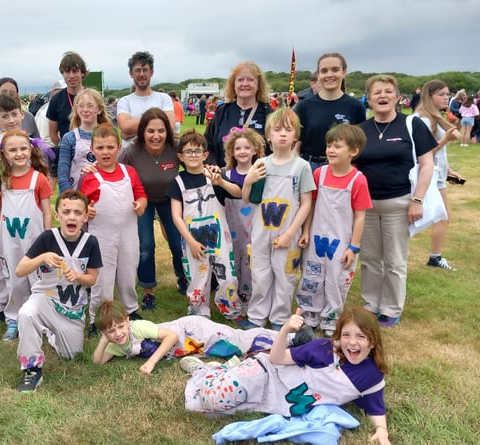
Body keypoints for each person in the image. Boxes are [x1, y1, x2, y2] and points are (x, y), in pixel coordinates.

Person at [184, 306, 392, 445]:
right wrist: (284, 330)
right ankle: (207, 371)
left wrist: (381, 430)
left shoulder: (371, 375)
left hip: (276, 401)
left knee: (203, 409)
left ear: (372, 342)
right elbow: (276, 358)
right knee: (214, 398)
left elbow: (376, 407)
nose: (352, 342)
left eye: (361, 337)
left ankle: (226, 370)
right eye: (346, 335)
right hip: (266, 373)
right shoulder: (325, 349)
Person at [354, 74, 436, 327]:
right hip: (366, 206)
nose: (382, 96)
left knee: (394, 259)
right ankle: (370, 305)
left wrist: (418, 199)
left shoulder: (412, 125)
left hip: (398, 203)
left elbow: (427, 165)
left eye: (388, 91)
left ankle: (390, 308)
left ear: (398, 97)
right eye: (377, 92)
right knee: (369, 258)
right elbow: (353, 165)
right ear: (368, 99)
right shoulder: (361, 129)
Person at [14, 190, 102, 392]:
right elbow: (20, 270)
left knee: (72, 355)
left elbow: (93, 279)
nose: (72, 216)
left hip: (72, 309)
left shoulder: (91, 242)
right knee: (26, 313)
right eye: (67, 211)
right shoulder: (47, 238)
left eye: (78, 213)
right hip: (45, 300)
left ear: (85, 217)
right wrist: (42, 257)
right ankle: (32, 370)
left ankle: (49, 333)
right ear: (58, 216)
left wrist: (78, 276)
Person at [92, 300, 314, 375]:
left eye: (120, 327)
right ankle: (292, 347)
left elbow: (170, 336)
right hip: (193, 347)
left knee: (238, 339)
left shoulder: (138, 328)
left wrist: (152, 361)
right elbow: (97, 362)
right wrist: (104, 340)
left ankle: (294, 335)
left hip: (191, 330)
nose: (118, 334)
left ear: (127, 322)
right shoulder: (116, 343)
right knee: (236, 351)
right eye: (110, 331)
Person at [241, 108, 315, 330]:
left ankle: (280, 319)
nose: (283, 134)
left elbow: (307, 203)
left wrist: (292, 232)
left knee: (285, 277)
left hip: (287, 232)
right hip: (261, 231)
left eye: (288, 129)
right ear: (268, 135)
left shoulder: (301, 166)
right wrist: (248, 180)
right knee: (260, 274)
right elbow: (247, 199)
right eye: (277, 129)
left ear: (295, 136)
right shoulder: (260, 164)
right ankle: (256, 317)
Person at [296, 124, 372, 337]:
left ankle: (331, 319)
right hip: (316, 239)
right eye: (329, 145)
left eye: (337, 146)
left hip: (341, 242)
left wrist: (353, 246)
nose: (330, 150)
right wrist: (306, 231)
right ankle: (310, 316)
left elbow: (360, 216)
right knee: (311, 277)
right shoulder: (319, 174)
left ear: (353, 151)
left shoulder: (358, 180)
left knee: (336, 280)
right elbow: (310, 205)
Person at [0, 130, 53, 341]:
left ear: (31, 150)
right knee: (13, 279)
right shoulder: (0, 180)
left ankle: (42, 318)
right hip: (9, 242)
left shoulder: (39, 179)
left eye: (23, 148)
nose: (19, 153)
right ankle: (13, 319)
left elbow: (47, 212)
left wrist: (48, 241)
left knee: (38, 279)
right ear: (4, 154)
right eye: (13, 150)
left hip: (35, 241)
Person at [79, 123, 147, 335]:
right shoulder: (89, 177)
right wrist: (86, 212)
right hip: (101, 236)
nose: (105, 152)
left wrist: (141, 204)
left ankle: (130, 308)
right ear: (93, 150)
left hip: (128, 232)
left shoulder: (129, 172)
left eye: (110, 147)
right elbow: (81, 206)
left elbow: (140, 193)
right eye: (100, 148)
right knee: (102, 278)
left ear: (119, 147)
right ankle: (98, 317)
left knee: (128, 271)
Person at [168, 129, 242, 320]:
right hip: (193, 239)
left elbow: (238, 192)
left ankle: (230, 308)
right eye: (188, 151)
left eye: (197, 151)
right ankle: (199, 312)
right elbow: (176, 216)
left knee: (228, 274)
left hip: (219, 237)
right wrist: (190, 242)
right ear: (180, 156)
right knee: (197, 277)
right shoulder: (177, 182)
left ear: (205, 155)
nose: (193, 155)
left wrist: (221, 183)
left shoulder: (213, 175)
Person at [117, 108, 186, 309]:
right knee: (146, 246)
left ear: (168, 132)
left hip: (169, 200)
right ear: (142, 132)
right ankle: (148, 291)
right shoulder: (131, 151)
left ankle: (182, 277)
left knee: (177, 242)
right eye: (150, 131)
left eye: (161, 131)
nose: (156, 136)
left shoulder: (176, 148)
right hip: (142, 201)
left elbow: (197, 158)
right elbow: (115, 170)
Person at [413, 80, 461, 270]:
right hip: (428, 175)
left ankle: (435, 257)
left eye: (447, 94)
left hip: (438, 174)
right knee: (442, 216)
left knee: (441, 215)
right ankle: (435, 257)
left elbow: (439, 153)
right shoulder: (422, 119)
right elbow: (424, 153)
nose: (446, 98)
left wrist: (449, 171)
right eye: (441, 94)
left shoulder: (435, 117)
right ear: (429, 95)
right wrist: (445, 139)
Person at [221, 127, 266, 322]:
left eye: (247, 147)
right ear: (231, 151)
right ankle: (235, 297)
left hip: (254, 226)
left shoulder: (261, 173)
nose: (242, 151)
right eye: (238, 147)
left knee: (251, 262)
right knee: (235, 261)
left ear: (255, 150)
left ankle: (250, 298)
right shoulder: (227, 175)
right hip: (233, 226)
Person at [294, 53, 366, 171]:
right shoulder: (304, 106)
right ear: (318, 75)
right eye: (324, 71)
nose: (329, 75)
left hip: (343, 167)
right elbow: (297, 143)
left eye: (335, 70)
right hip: (310, 166)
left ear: (344, 72)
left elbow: (359, 144)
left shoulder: (356, 106)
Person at [205, 61, 273, 167]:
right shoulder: (222, 112)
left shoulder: (268, 114)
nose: (245, 84)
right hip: (224, 179)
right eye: (240, 80)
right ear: (233, 84)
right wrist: (213, 165)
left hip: (259, 179)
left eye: (250, 80)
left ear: (259, 84)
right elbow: (208, 145)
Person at [47, 51, 89, 191]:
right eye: (67, 72)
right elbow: (53, 133)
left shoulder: (91, 97)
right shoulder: (56, 100)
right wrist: (67, 148)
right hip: (67, 158)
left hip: (92, 155)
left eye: (75, 71)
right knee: (68, 200)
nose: (71, 76)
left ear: (82, 72)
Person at [116, 51, 175, 150]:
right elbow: (125, 127)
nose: (142, 74)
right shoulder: (124, 101)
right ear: (131, 73)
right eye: (138, 70)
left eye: (145, 70)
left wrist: (132, 130)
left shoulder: (164, 98)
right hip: (131, 156)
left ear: (151, 72)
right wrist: (159, 123)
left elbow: (170, 126)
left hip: (159, 155)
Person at [58, 88, 110, 192]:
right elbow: (63, 173)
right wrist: (69, 196)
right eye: (81, 105)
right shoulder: (69, 138)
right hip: (77, 194)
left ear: (99, 109)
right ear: (76, 109)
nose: (85, 109)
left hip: (104, 193)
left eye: (90, 105)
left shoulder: (108, 136)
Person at [35, 80, 66, 149]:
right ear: (53, 92)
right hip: (50, 149)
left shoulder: (44, 107)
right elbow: (49, 137)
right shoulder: (52, 109)